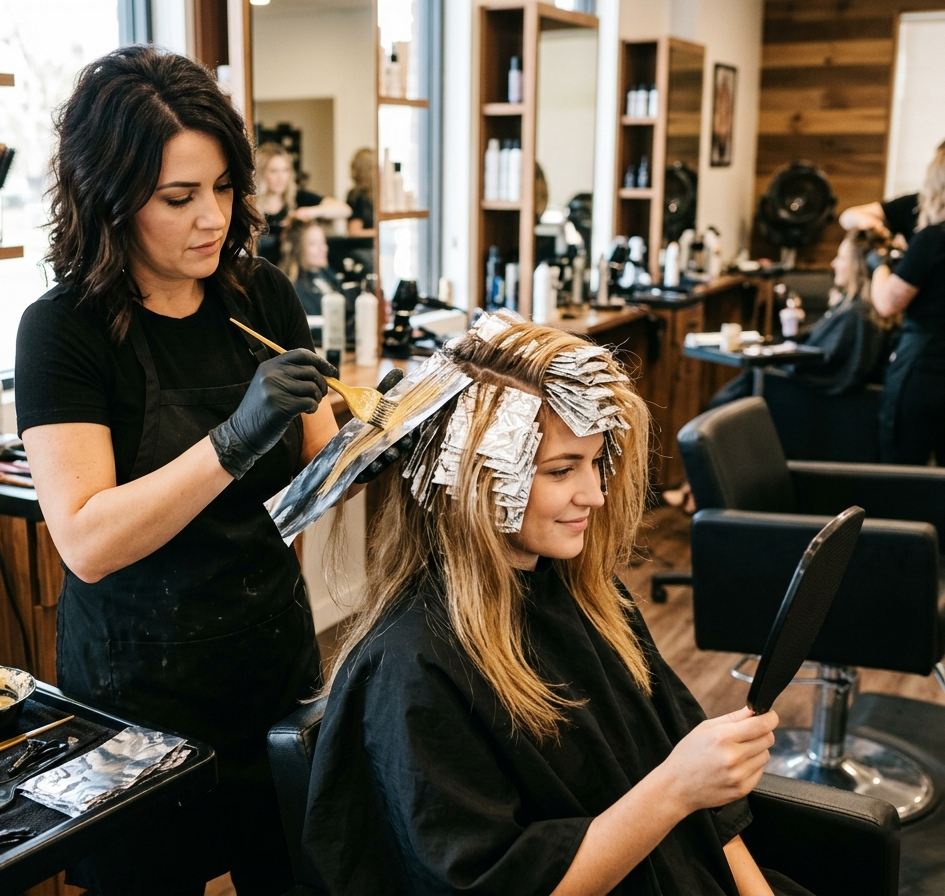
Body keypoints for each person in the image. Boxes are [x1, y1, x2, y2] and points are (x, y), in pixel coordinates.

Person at [304, 317, 811, 895]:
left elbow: (711, 816)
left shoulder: (592, 598)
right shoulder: (412, 671)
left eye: (595, 463)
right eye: (561, 470)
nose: (594, 494)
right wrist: (675, 787)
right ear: (476, 479)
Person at [15, 46, 342, 896]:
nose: (213, 219)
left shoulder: (261, 296)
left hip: (270, 668)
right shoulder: (64, 333)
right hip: (138, 699)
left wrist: (401, 434)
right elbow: (87, 539)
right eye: (179, 198)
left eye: (224, 188)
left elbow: (326, 468)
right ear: (111, 198)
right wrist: (233, 438)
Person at [706, 228, 898, 408]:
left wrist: (781, 357)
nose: (834, 263)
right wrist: (792, 335)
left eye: (840, 258)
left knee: (721, 406)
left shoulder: (858, 314)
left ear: (857, 266)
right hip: (802, 396)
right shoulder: (859, 310)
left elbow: (822, 369)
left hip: (799, 399)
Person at [869, 141, 945, 465]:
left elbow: (888, 303)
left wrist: (879, 265)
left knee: (904, 465)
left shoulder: (933, 238)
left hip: (925, 365)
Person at [254, 142, 349, 263]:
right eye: (274, 171)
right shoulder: (251, 206)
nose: (281, 177)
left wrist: (307, 212)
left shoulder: (298, 198)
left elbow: (345, 210)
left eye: (285, 170)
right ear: (261, 174)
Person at [345, 147, 375, 237]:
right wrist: (381, 232)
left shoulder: (375, 195)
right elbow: (355, 231)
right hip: (364, 248)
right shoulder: (356, 197)